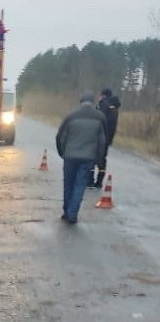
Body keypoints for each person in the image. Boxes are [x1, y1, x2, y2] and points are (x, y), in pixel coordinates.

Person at [55, 91, 107, 224]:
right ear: (93, 101)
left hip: (70, 156)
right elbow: (102, 141)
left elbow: (60, 137)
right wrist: (99, 159)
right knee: (80, 185)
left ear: (80, 101)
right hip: (88, 158)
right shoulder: (100, 117)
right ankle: (72, 213)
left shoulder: (71, 115)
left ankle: (67, 212)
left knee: (68, 184)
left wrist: (63, 153)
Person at [89, 88, 121, 188]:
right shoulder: (114, 108)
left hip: (98, 136)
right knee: (102, 159)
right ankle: (99, 182)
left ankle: (90, 181)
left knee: (93, 158)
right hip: (108, 138)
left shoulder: (103, 105)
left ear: (103, 95)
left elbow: (97, 120)